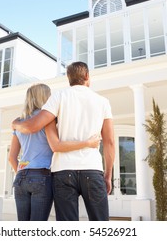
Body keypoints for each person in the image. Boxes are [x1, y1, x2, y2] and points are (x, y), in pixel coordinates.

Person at [12, 62, 115, 221]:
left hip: (63, 171)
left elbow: (34, 126)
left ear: (69, 79)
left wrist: (16, 124)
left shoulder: (59, 97)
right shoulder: (103, 101)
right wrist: (108, 176)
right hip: (92, 169)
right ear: (87, 76)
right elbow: (110, 143)